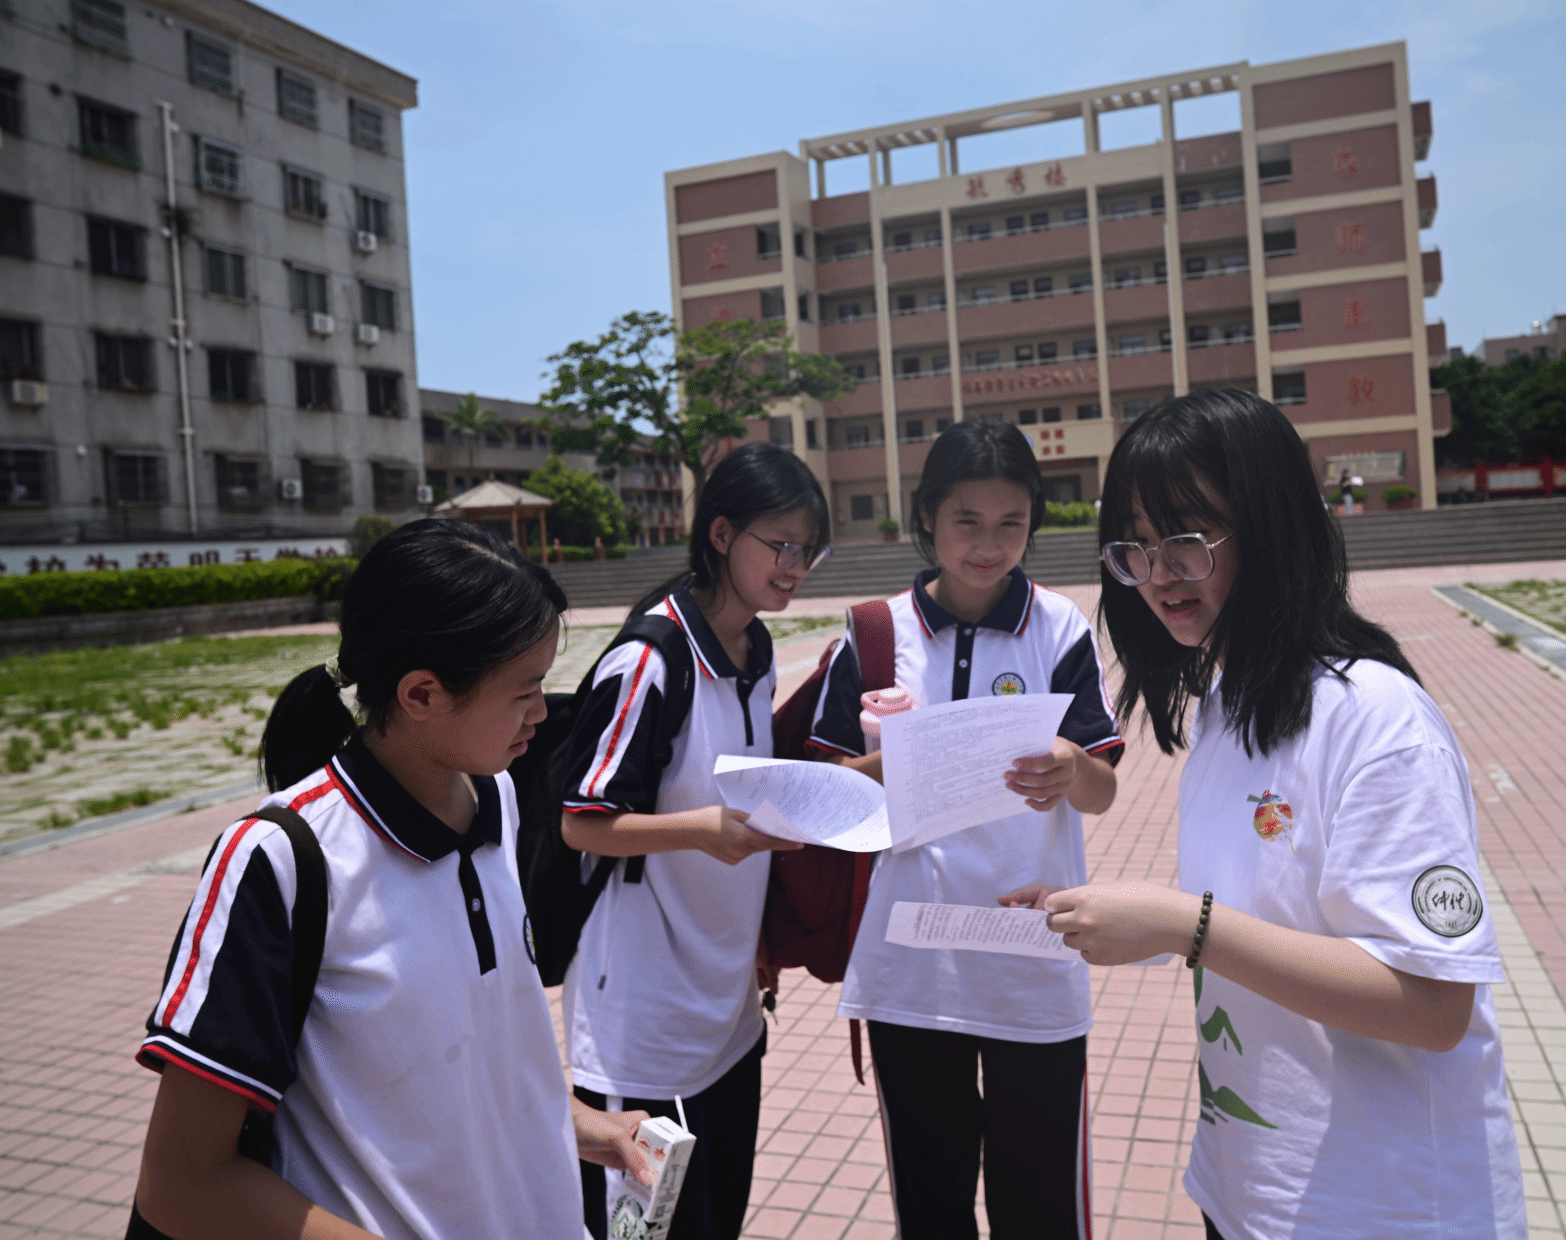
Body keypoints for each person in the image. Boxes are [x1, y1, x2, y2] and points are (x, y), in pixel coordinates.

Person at [1020, 389, 1525, 1240]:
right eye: (1136, 547)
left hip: (1384, 1210)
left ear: (1271, 523)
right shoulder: (1227, 705)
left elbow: (1433, 1004)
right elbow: (1258, 923)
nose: (1158, 574)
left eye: (1187, 538)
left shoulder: (1377, 722)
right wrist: (1111, 917)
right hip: (1247, 1191)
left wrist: (1182, 923)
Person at [129, 517, 651, 1240]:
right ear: (421, 694)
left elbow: (468, 1055)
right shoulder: (281, 861)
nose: (542, 712)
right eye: (524, 690)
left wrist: (581, 1124)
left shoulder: (495, 797)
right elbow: (183, 1184)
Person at [807, 420, 1123, 1240]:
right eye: (966, 521)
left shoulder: (1058, 626)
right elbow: (824, 798)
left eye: (1011, 522)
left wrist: (1070, 764)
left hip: (1031, 950)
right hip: (913, 962)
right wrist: (902, 761)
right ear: (926, 517)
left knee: (1040, 1210)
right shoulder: (874, 633)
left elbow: (1102, 789)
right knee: (933, 1208)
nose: (988, 545)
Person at [558, 442, 829, 1240]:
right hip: (643, 1027)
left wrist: (758, 935)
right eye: (780, 545)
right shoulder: (648, 660)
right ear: (720, 534)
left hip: (729, 1016)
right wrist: (703, 832)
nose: (795, 566)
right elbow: (581, 821)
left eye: (808, 549)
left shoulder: (757, 651)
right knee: (641, 1233)